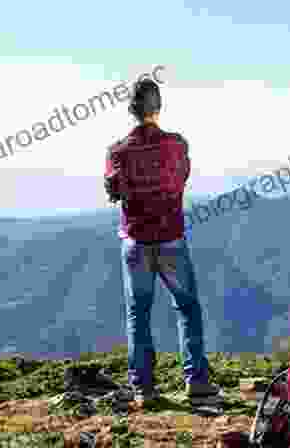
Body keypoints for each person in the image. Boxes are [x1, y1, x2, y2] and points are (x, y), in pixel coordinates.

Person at [104, 78, 221, 403]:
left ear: (131, 110)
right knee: (187, 307)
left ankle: (143, 388)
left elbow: (113, 190)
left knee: (138, 314)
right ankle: (196, 381)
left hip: (135, 241)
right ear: (159, 107)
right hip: (171, 238)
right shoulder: (177, 145)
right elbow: (181, 176)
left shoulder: (116, 153)